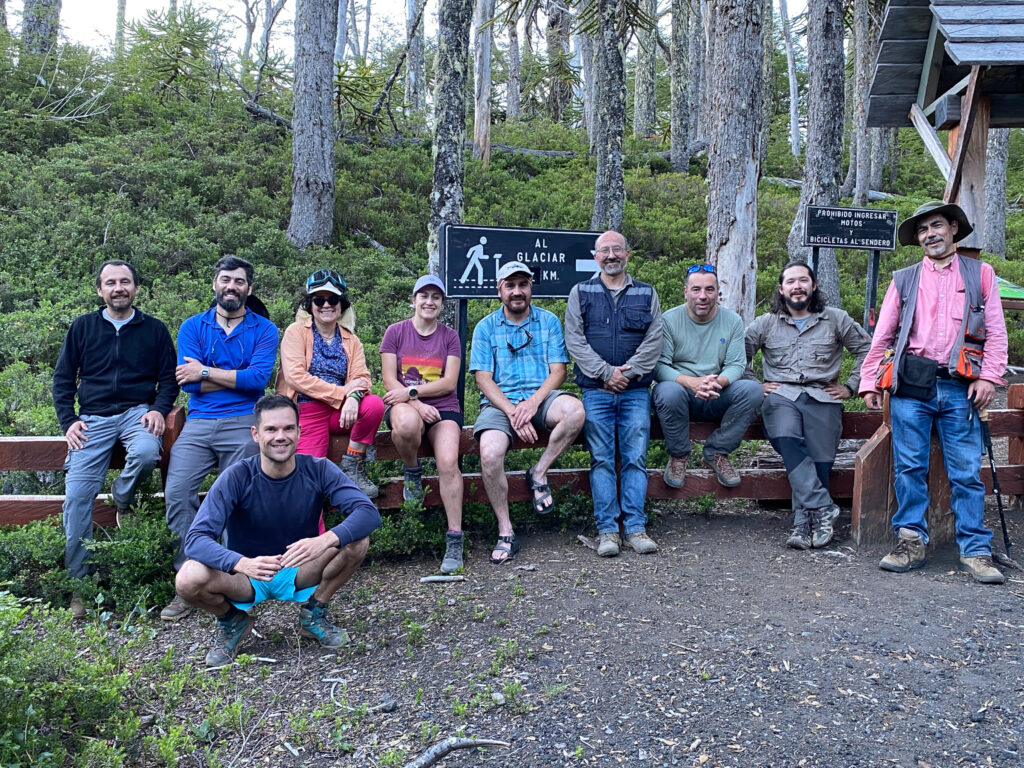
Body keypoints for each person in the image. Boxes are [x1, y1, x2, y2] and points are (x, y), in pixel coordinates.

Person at [859, 201, 1008, 585]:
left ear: (954, 229)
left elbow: (995, 331)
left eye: (937, 226)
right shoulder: (904, 279)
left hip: (961, 388)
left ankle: (975, 550)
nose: (930, 235)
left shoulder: (981, 274)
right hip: (912, 386)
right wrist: (870, 381)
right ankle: (910, 542)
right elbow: (885, 334)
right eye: (923, 230)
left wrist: (988, 377)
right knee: (909, 468)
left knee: (966, 473)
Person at [176, 395, 382, 667]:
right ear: (255, 434)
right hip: (246, 576)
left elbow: (368, 513)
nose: (280, 436)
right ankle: (232, 621)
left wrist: (324, 541)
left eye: (288, 428)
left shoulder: (318, 469)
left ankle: (314, 614)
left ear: (299, 431)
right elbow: (195, 540)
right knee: (188, 578)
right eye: (271, 429)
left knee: (357, 540)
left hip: (300, 568)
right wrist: (241, 563)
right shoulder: (236, 476)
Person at [52, 261, 179, 619]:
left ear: (136, 288)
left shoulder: (153, 329)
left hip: (137, 413)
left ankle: (123, 498)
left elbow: (169, 379)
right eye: (111, 283)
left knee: (145, 452)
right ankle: (81, 587)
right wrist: (69, 422)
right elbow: (62, 380)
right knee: (77, 497)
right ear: (100, 290)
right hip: (92, 419)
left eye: (125, 282)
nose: (118, 288)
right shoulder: (83, 327)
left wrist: (158, 408)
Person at [161, 256, 280, 621]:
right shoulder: (192, 327)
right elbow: (188, 381)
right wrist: (229, 377)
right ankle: (189, 574)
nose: (232, 286)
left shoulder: (264, 329)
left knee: (237, 498)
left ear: (249, 288)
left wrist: (207, 371)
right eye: (226, 279)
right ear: (215, 283)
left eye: (239, 281)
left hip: (244, 420)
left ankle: (234, 578)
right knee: (177, 492)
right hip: (198, 422)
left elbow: (257, 381)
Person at [745, 262, 871, 550]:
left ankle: (808, 525)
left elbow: (869, 349)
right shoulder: (765, 323)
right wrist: (755, 383)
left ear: (814, 285)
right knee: (786, 438)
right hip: (781, 396)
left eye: (803, 280)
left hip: (823, 395)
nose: (797, 286)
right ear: (781, 289)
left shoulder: (836, 319)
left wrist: (852, 386)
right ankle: (817, 511)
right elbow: (736, 356)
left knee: (820, 459)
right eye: (791, 282)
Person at [469, 261, 586, 564]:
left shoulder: (548, 321)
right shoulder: (485, 327)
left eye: (523, 284)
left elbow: (558, 370)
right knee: (490, 454)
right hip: (499, 403)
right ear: (500, 290)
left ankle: (539, 472)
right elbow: (482, 377)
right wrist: (511, 411)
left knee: (574, 411)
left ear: (531, 287)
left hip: (541, 397)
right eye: (510, 285)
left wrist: (532, 404)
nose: (517, 291)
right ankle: (506, 530)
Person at [565, 231, 664, 557]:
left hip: (636, 391)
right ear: (596, 257)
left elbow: (654, 341)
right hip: (595, 391)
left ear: (627, 254)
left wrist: (628, 373)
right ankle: (608, 531)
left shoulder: (647, 293)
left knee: (636, 459)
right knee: (602, 460)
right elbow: (575, 341)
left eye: (616, 250)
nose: (611, 255)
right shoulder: (581, 292)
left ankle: (635, 528)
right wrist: (607, 373)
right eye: (604, 251)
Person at [380, 274, 465, 573]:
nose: (429, 302)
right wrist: (415, 402)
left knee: (448, 462)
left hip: (444, 409)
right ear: (414, 299)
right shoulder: (396, 332)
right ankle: (412, 470)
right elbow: (390, 380)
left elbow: (449, 382)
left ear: (442, 303)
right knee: (404, 424)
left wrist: (415, 392)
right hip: (406, 406)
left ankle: (455, 538)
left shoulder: (449, 336)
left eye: (436, 297)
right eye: (424, 296)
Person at [653, 264, 763, 488]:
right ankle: (679, 455)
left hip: (716, 392)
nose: (702, 296)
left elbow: (736, 364)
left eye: (709, 290)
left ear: (717, 292)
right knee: (665, 390)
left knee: (752, 390)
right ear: (685, 291)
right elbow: (659, 366)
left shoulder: (732, 321)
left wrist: (717, 382)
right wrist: (692, 383)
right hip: (682, 392)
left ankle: (717, 451)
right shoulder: (668, 320)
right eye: (696, 289)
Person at [276, 269, 383, 499]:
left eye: (332, 299)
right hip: (307, 410)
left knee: (373, 405)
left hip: (340, 411)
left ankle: (353, 461)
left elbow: (362, 377)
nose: (326, 305)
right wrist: (342, 393)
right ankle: (312, 530)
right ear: (309, 305)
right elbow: (296, 377)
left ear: (341, 304)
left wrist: (353, 398)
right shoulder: (295, 332)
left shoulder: (351, 340)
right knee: (309, 481)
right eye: (319, 300)